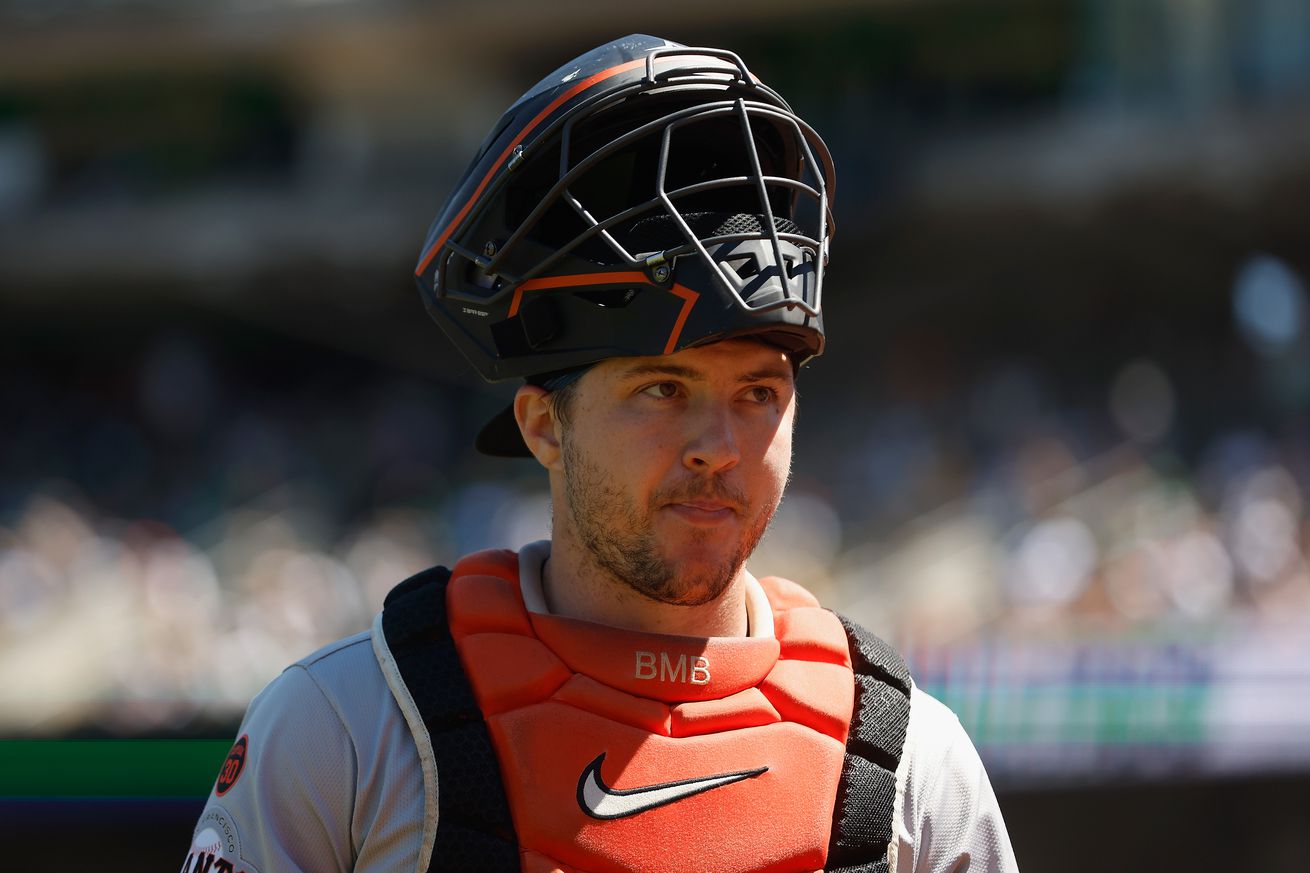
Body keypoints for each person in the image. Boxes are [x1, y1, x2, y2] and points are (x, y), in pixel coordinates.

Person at [183, 34, 1018, 873]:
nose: (718, 448)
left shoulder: (913, 764)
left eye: (758, 393)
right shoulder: (346, 728)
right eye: (663, 389)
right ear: (544, 425)